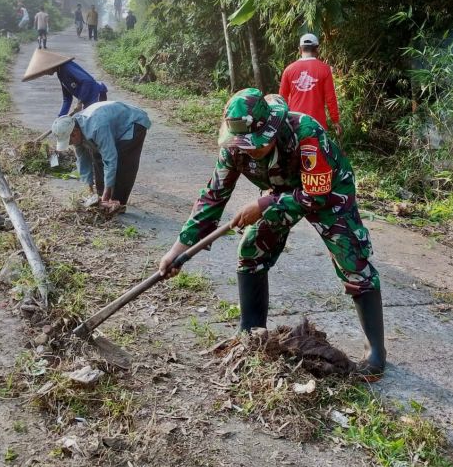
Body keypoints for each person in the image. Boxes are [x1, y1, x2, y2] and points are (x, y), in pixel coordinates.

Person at [158, 88, 386, 378]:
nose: (250, 150)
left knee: (353, 260)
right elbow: (212, 198)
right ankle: (251, 333)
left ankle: (376, 353)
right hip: (281, 194)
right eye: (244, 145)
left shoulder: (306, 133)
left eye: (257, 144)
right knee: (251, 248)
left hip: (329, 193)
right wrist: (178, 250)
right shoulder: (233, 148)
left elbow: (317, 194)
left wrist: (264, 202)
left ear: (272, 128)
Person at [51, 100, 151, 212]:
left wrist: (106, 195)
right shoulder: (76, 127)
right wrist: (90, 189)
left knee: (123, 162)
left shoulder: (96, 127)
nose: (70, 144)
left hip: (133, 122)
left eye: (69, 141)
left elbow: (110, 159)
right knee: (97, 155)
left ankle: (117, 203)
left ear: (75, 132)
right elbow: (82, 160)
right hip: (110, 122)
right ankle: (101, 195)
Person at [279, 33, 341, 135]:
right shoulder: (324, 69)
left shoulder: (288, 70)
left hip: (295, 122)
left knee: (297, 151)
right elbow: (330, 98)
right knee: (318, 150)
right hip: (317, 124)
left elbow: (282, 99)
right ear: (317, 49)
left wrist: (283, 122)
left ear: (300, 49)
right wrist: (335, 121)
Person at [22, 49, 108, 117]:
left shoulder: (66, 67)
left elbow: (87, 81)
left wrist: (80, 102)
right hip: (88, 99)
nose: (46, 73)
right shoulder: (60, 73)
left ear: (51, 65)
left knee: (93, 123)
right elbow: (67, 98)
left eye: (45, 70)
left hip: (96, 94)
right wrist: (61, 117)